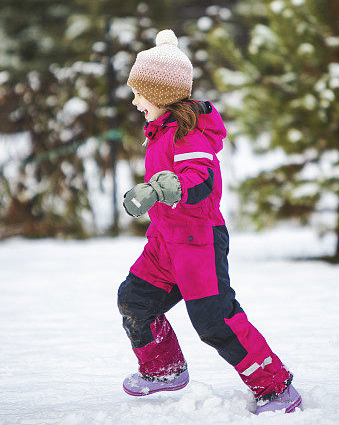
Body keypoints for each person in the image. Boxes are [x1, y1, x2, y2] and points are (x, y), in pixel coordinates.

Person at [116, 29, 302, 414]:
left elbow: (201, 179)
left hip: (198, 241)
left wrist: (162, 188)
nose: (135, 101)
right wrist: (151, 194)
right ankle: (163, 370)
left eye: (140, 93)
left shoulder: (189, 135)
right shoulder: (160, 130)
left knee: (214, 320)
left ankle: (275, 387)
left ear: (163, 94)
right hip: (165, 241)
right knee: (134, 300)